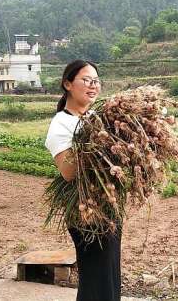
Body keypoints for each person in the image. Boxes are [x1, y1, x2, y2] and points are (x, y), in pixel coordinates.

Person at [44, 59, 121, 301]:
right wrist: (101, 150)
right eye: (86, 80)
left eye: (96, 81)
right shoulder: (61, 124)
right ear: (67, 84)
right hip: (85, 211)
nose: (93, 86)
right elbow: (68, 173)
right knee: (95, 279)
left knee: (109, 274)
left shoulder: (95, 117)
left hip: (107, 205)